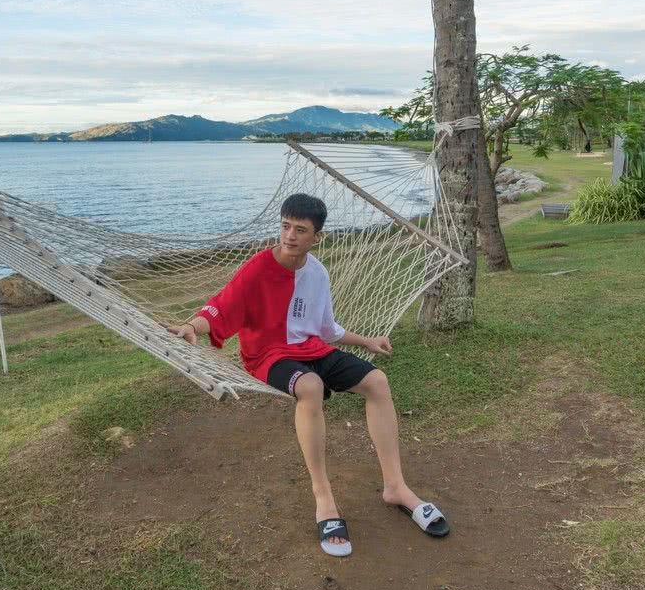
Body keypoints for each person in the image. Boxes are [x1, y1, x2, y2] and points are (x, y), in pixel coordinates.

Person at [168, 193, 449, 557]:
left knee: (377, 382)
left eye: (300, 230)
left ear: (318, 236)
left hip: (310, 349)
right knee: (311, 387)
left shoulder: (317, 273)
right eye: (285, 226)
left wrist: (367, 341)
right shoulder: (258, 267)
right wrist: (194, 326)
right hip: (267, 355)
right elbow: (222, 306)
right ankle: (324, 498)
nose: (289, 236)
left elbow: (326, 328)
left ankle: (396, 486)